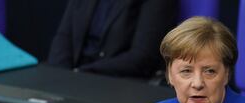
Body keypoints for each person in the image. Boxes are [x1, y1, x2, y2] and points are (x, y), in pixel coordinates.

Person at [47, 0, 177, 78]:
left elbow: (142, 57)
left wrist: (81, 74)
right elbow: (64, 36)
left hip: (114, 80)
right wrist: (60, 74)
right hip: (71, 75)